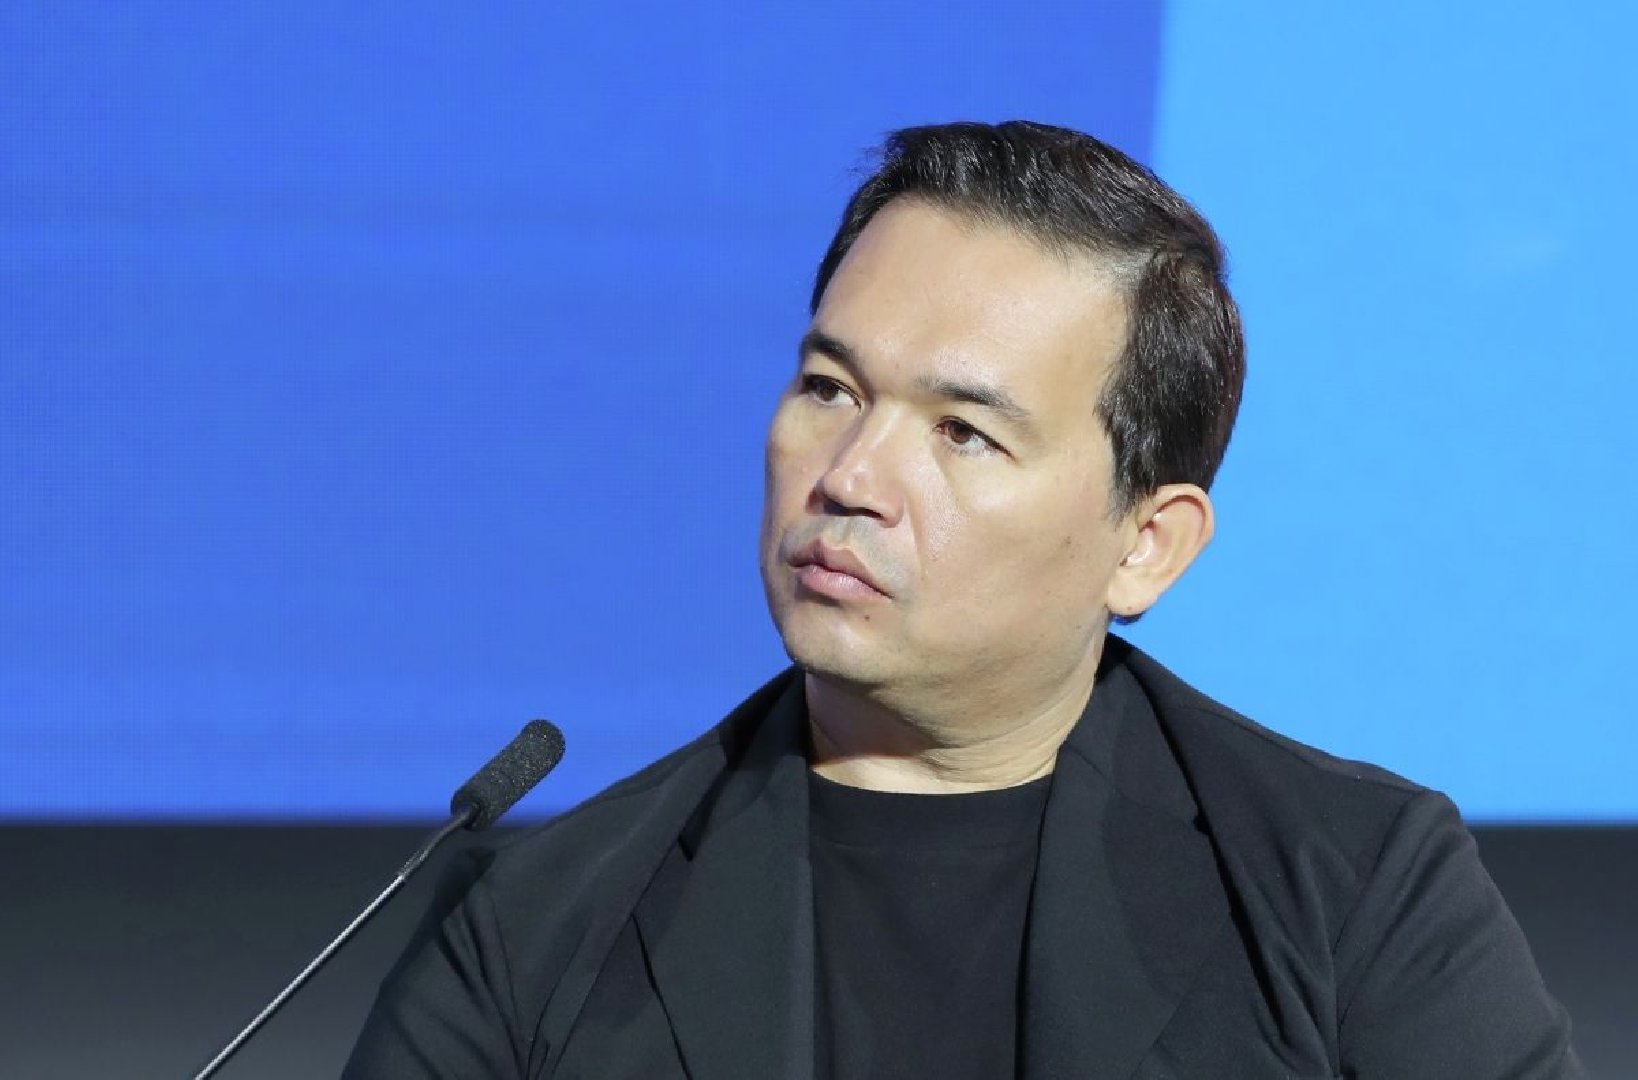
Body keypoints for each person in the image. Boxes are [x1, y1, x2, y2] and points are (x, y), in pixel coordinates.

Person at [343, 121, 1582, 1078]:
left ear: (1147, 546)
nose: (850, 477)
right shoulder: (537, 929)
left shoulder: (1348, 890)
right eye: (829, 389)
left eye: (964, 433)